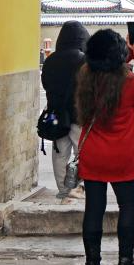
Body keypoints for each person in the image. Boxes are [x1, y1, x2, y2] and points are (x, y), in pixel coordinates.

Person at [75, 29, 134, 265]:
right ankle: (125, 261)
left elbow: (109, 76)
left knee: (94, 209)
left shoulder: (85, 76)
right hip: (122, 155)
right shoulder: (130, 82)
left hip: (93, 154)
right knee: (128, 204)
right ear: (118, 56)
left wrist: (125, 60)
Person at [40, 20, 89, 202]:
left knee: (60, 153)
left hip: (56, 114)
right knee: (82, 153)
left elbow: (45, 83)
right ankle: (79, 189)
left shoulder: (51, 59)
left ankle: (63, 191)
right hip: (78, 113)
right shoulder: (84, 59)